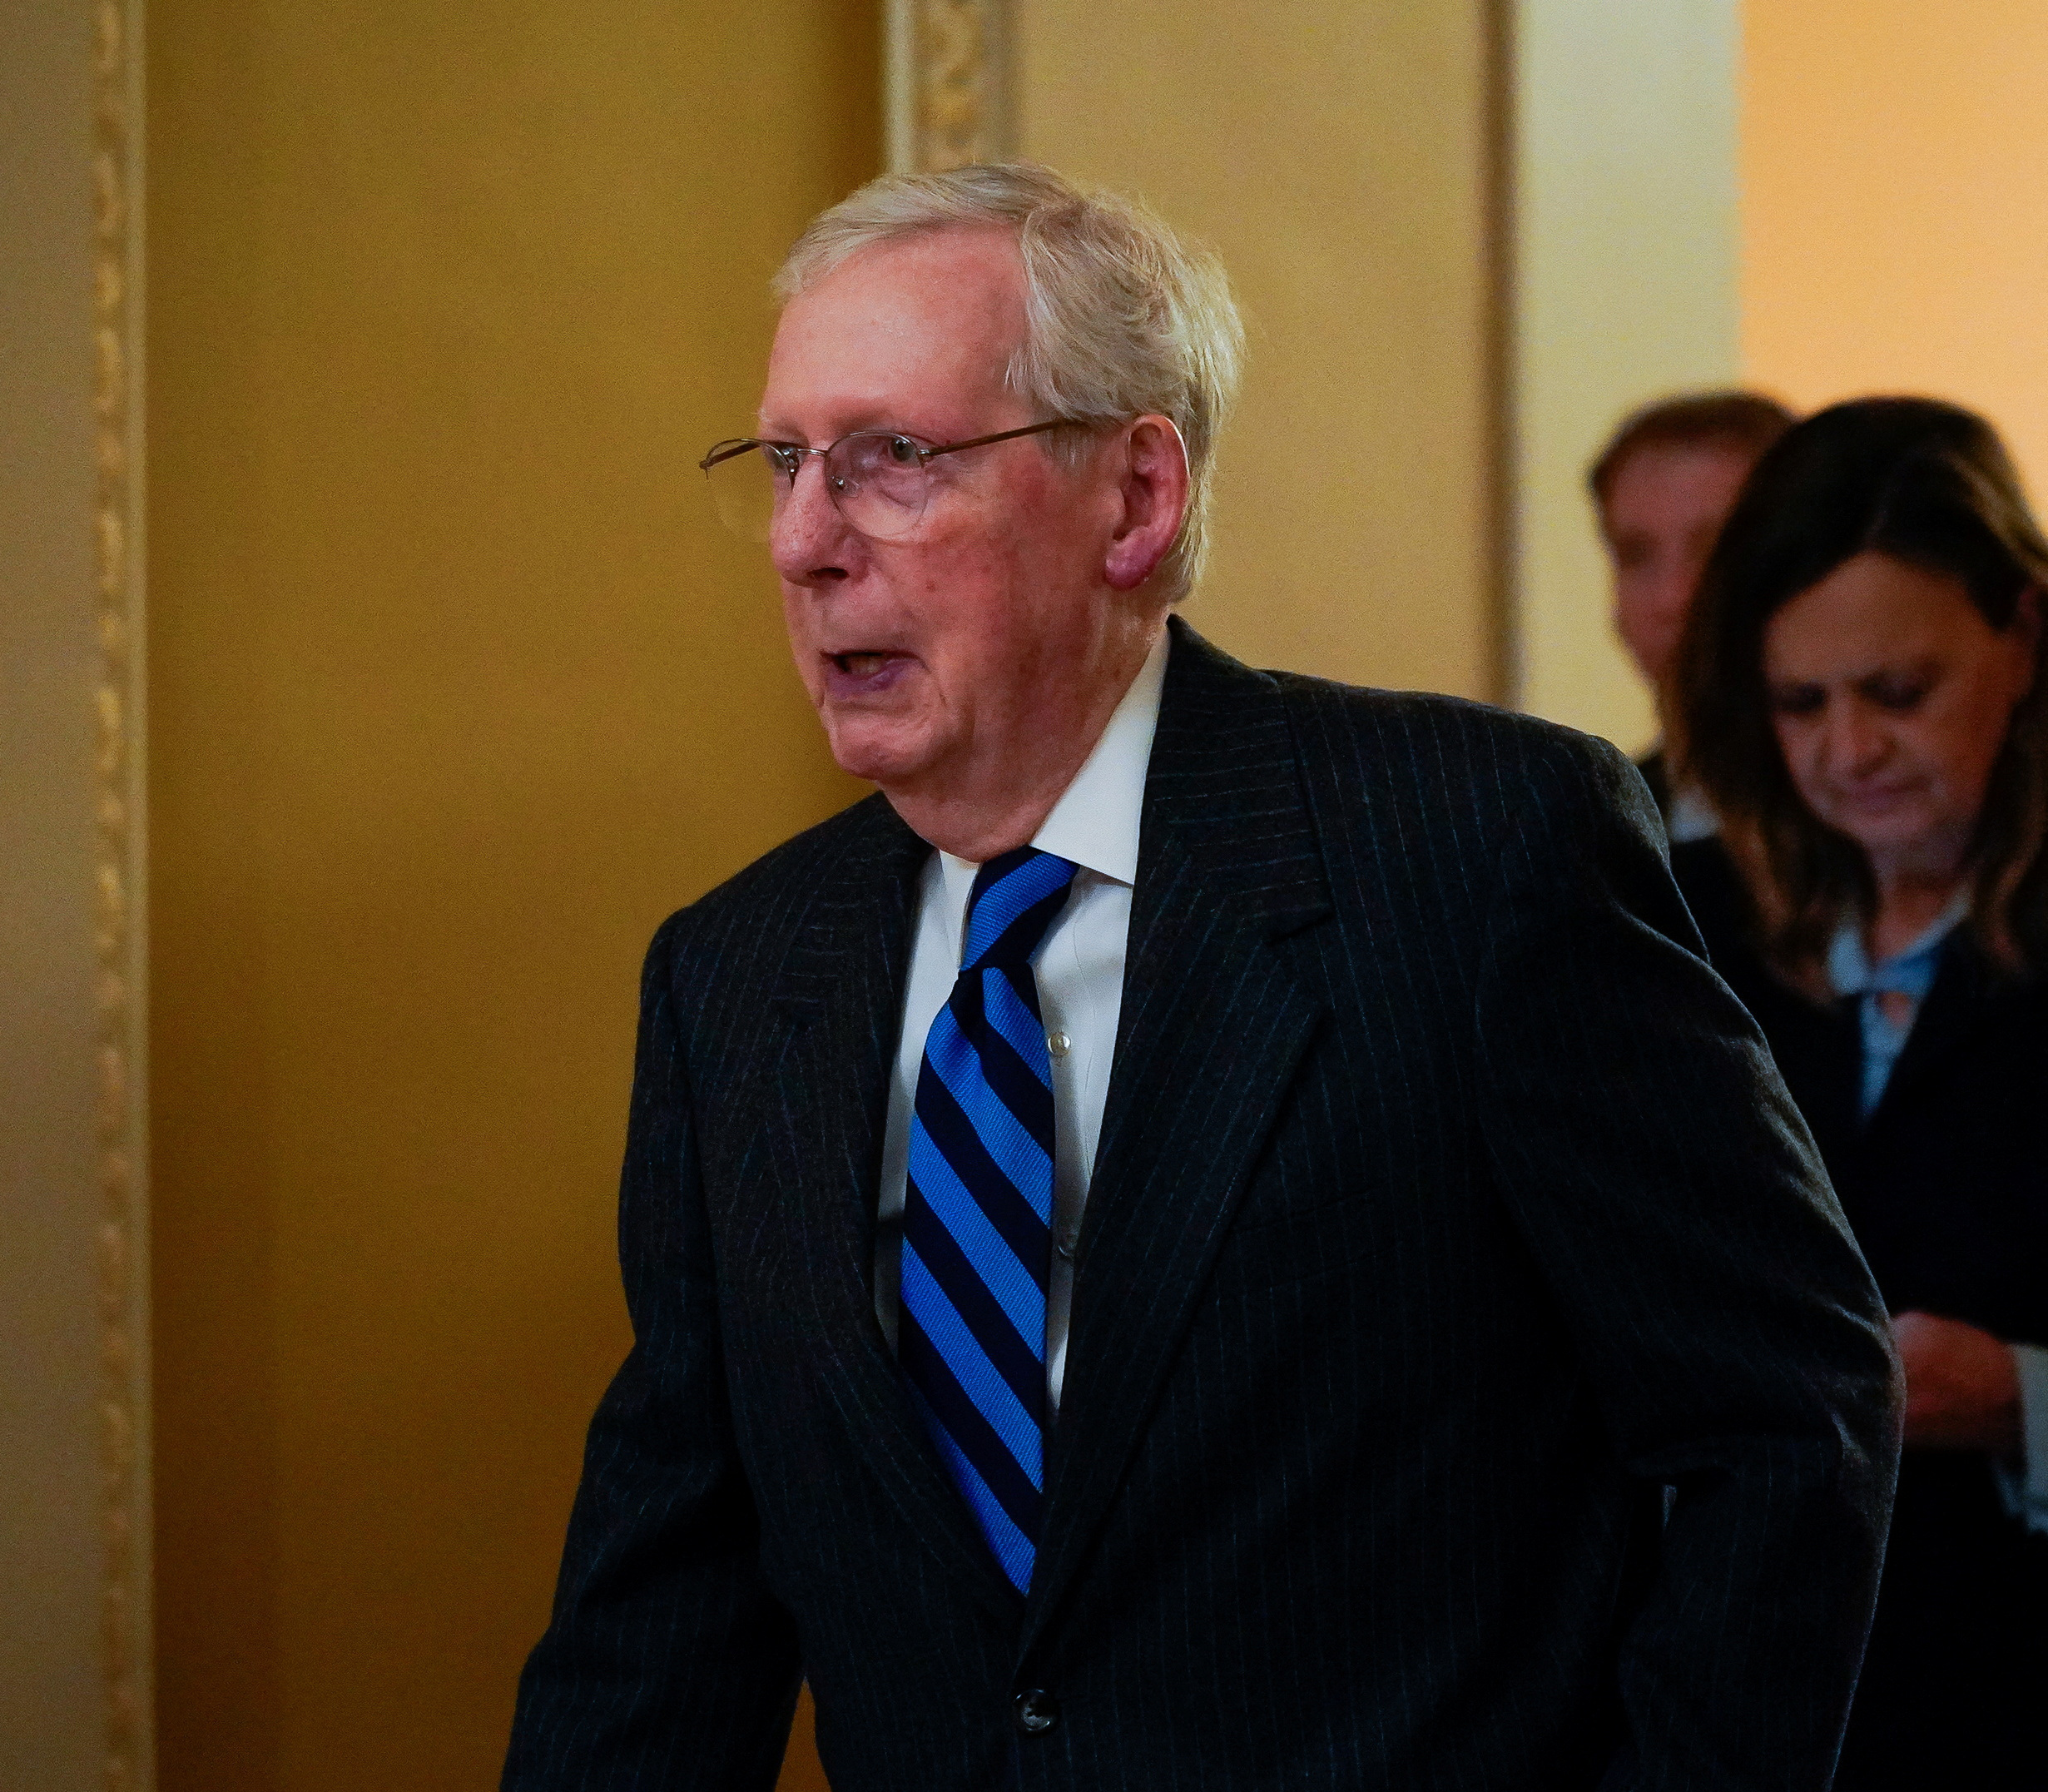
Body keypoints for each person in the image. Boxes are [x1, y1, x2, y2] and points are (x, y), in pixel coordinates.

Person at [503, 162, 1898, 1792]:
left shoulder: (1468, 847)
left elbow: (1785, 1415)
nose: (803, 542)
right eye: (786, 462)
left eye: (891, 459)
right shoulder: (730, 976)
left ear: (1135, 495)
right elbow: (666, 1598)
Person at [1669, 395, 2048, 1791]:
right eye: (1799, 703)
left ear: (2021, 633)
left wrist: (2021, 1399)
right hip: (1754, 1696)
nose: (1848, 752)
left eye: (1899, 692)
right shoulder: (1685, 918)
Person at [1587, 389, 1795, 833]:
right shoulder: (1592, 834)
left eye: (1716, 549)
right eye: (1636, 555)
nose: (1673, 598)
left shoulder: (1893, 823)